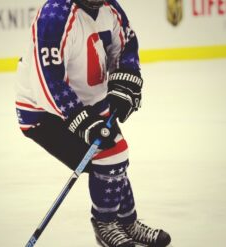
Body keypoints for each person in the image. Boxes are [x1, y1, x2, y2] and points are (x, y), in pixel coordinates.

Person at [15, 0, 171, 246]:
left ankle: (127, 223)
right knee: (111, 155)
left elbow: (126, 45)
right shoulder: (55, 15)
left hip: (89, 103)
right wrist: (78, 117)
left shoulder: (110, 8)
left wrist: (124, 83)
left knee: (114, 161)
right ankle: (105, 224)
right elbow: (48, 78)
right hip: (44, 112)